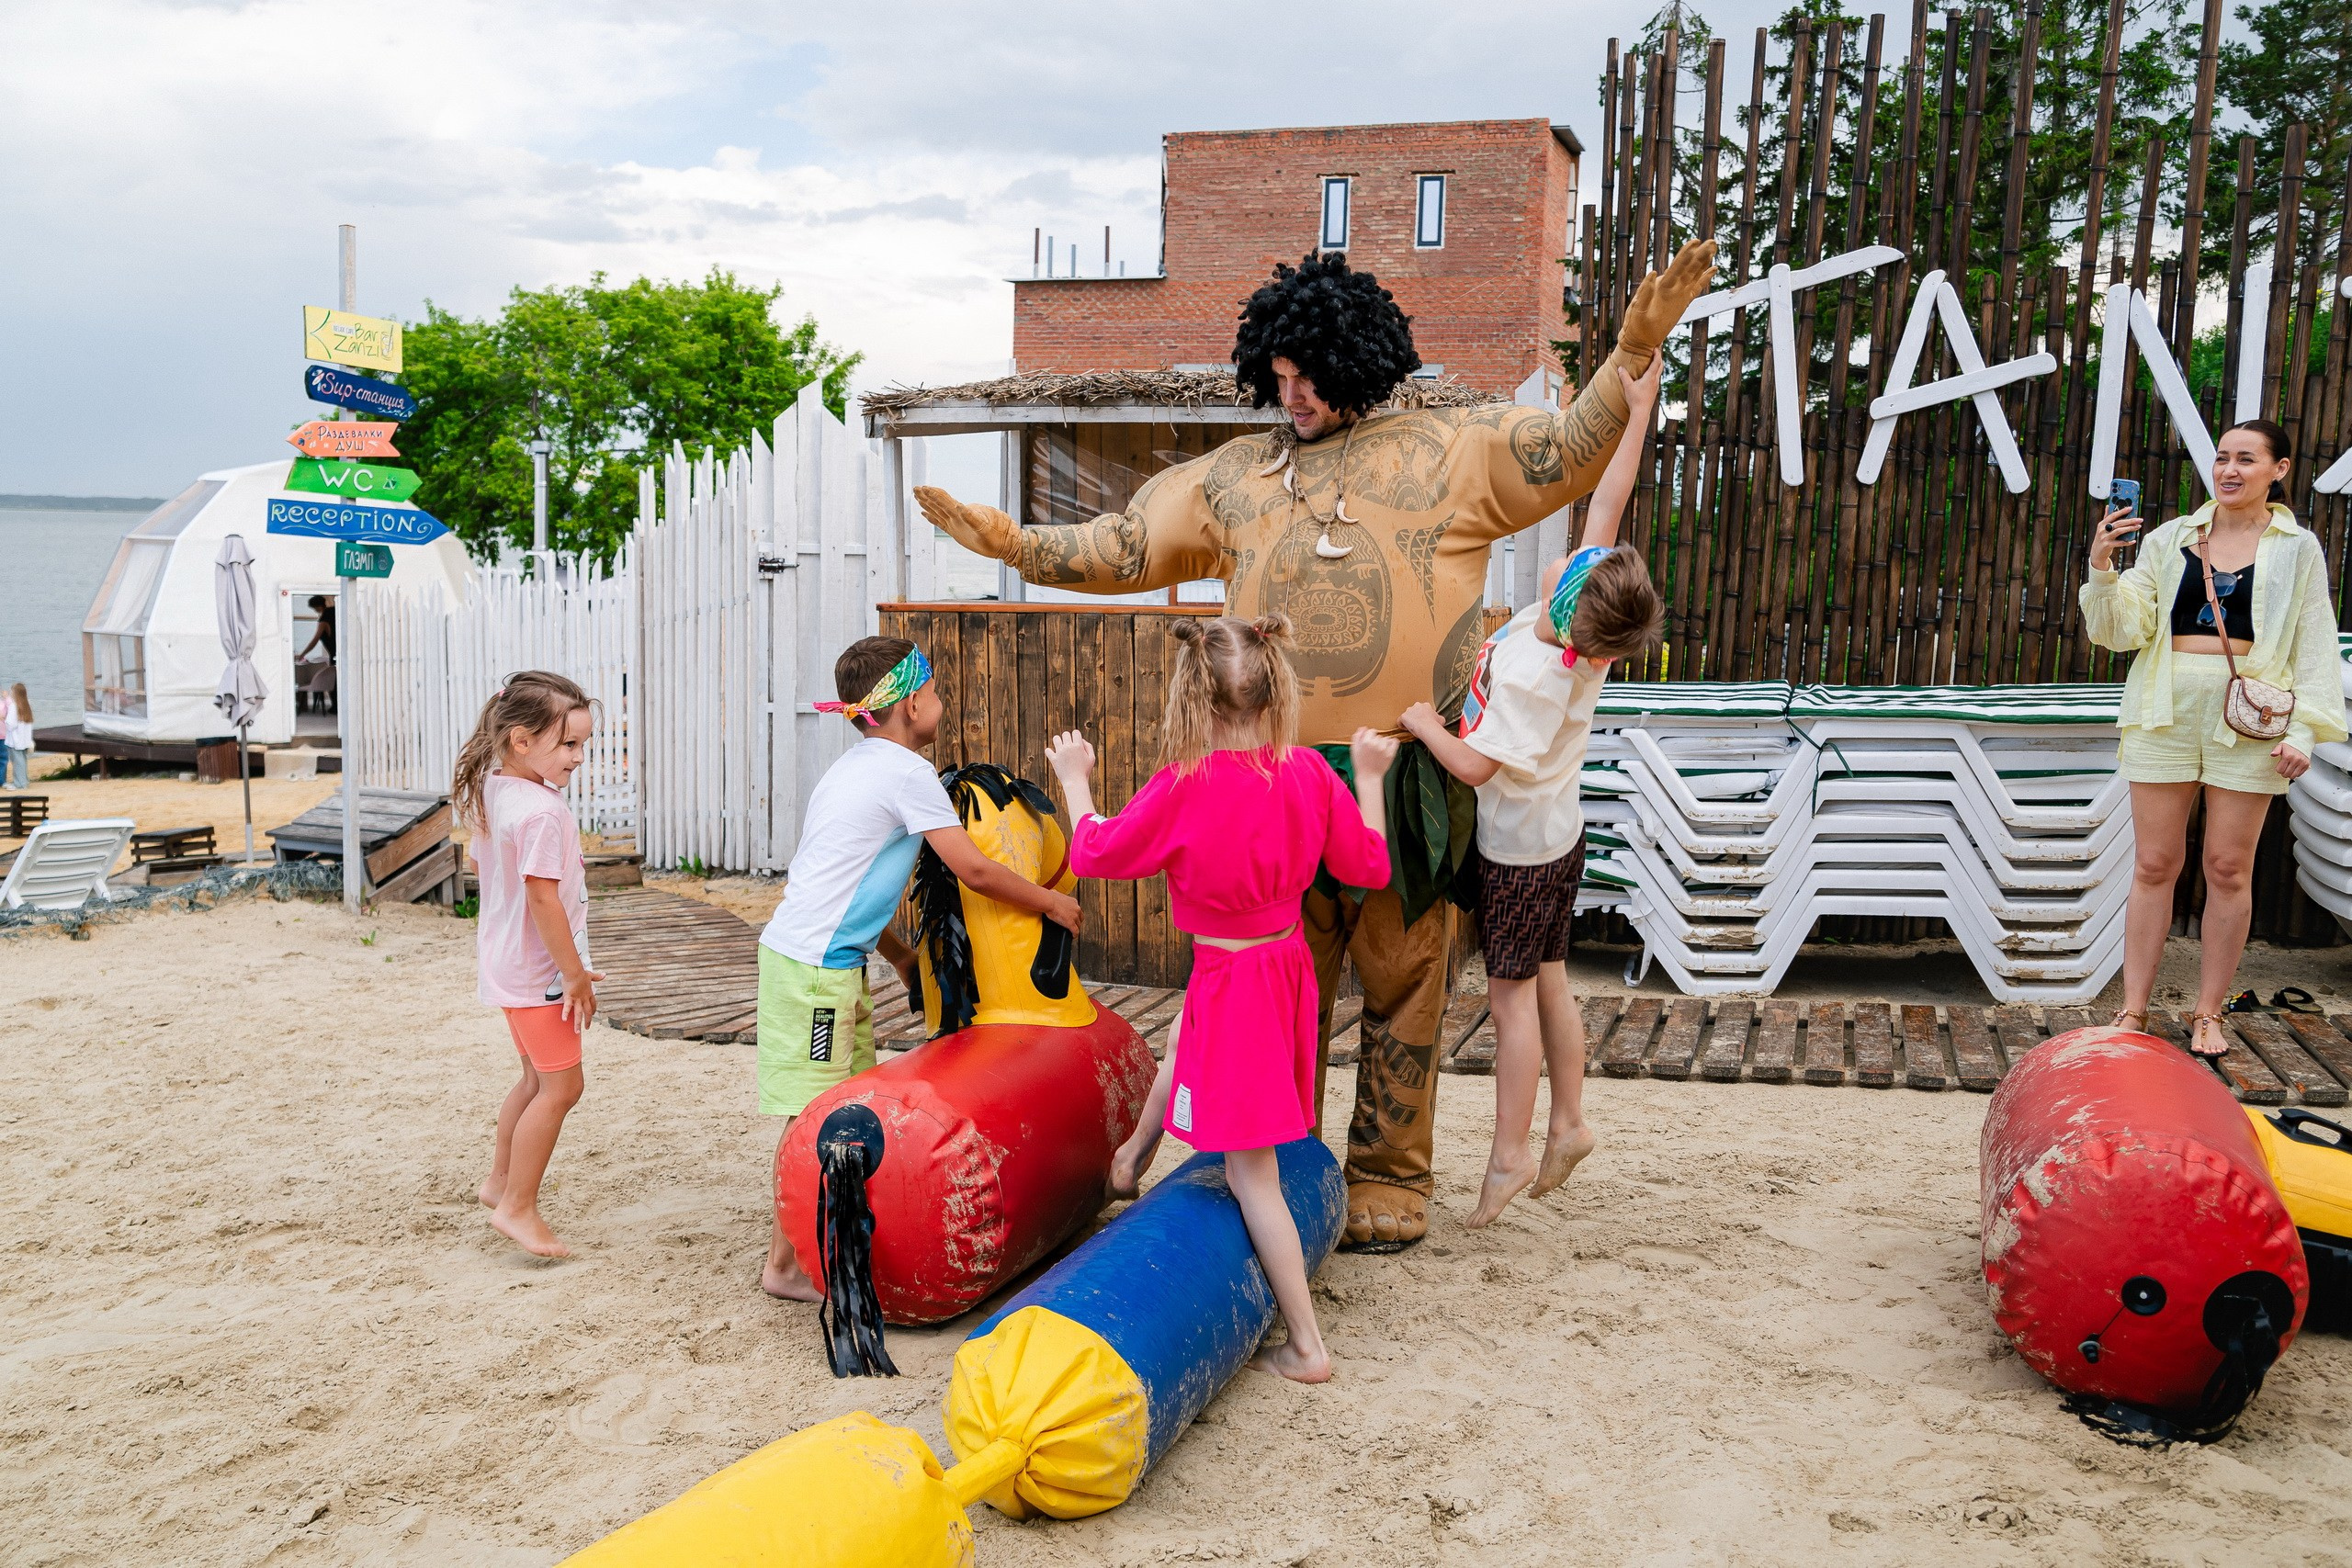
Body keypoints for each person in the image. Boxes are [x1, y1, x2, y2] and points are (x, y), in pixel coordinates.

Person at [917, 238, 1718, 1250]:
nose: (1291, 396)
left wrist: (1633, 353)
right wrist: (1015, 545)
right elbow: (1123, 545)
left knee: (1405, 979)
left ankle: (1390, 1172)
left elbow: (1567, 453)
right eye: (1280, 378)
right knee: (1277, 985)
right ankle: (1283, 1157)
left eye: (1308, 378)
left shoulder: (1456, 448)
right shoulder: (1236, 477)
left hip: (1402, 774)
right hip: (1275, 779)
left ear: (1356, 362)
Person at [1046, 614, 1395, 1382]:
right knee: (1182, 1045)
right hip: (1282, 972)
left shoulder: (1186, 784)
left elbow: (1094, 850)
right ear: (1275, 688)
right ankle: (1132, 1158)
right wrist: (1368, 775)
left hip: (1235, 981)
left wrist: (1076, 777)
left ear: (1191, 700)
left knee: (1250, 1174)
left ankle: (1307, 1346)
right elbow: (1370, 866)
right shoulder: (1307, 770)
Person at [1399, 356, 1666, 1225]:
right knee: (1550, 975)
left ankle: (1509, 1157)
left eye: (1569, 575)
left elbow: (1476, 767)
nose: (1560, 568)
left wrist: (1427, 725)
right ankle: (1574, 1122)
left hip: (1518, 850)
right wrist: (1638, 411)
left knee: (1511, 997)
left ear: (1576, 619)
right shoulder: (1584, 624)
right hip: (1559, 834)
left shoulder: (1536, 679)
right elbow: (1609, 503)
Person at [759, 637, 1082, 1302]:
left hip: (833, 965)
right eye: (933, 692)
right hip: (812, 971)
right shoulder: (906, 774)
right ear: (909, 705)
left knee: (846, 1106)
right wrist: (1052, 901)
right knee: (809, 1114)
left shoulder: (852, 770)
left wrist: (904, 959)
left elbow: (849, 891)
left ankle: (833, 1243)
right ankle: (784, 1264)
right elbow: (976, 868)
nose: (939, 701)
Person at [2081, 419, 2347, 1058]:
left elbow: (2314, 646)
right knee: (2153, 863)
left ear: (2278, 469)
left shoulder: (2296, 547)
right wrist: (2102, 566)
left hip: (2251, 718)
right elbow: (2122, 631)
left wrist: (2306, 732)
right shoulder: (2173, 537)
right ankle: (2135, 1008)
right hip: (2163, 709)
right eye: (2222, 457)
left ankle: (2208, 1013)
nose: (2229, 469)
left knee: (2228, 867)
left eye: (2246, 459)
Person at [454, 671, 601, 1258]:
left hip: (507, 965)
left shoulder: (496, 788)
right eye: (568, 745)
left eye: (582, 744)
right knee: (563, 1087)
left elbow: (477, 862)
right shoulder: (540, 813)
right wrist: (573, 973)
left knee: (536, 1079)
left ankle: (498, 1183)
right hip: (540, 975)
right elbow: (542, 897)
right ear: (521, 740)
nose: (579, 758)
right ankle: (517, 1206)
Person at [298, 595, 336, 715]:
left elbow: (314, 641)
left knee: (334, 682)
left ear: (317, 607)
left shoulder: (323, 620)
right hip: (341, 652)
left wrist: (302, 654)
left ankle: (336, 707)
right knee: (336, 681)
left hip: (334, 654)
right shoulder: (336, 613)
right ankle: (339, 707)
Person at [3, 682, 30, 790]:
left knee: (17, 762)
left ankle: (19, 783)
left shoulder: (14, 706)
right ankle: (24, 781)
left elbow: (11, 724)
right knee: (22, 760)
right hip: (23, 739)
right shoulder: (25, 704)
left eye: (12, 692)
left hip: (15, 740)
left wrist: (4, 719)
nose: (11, 694)